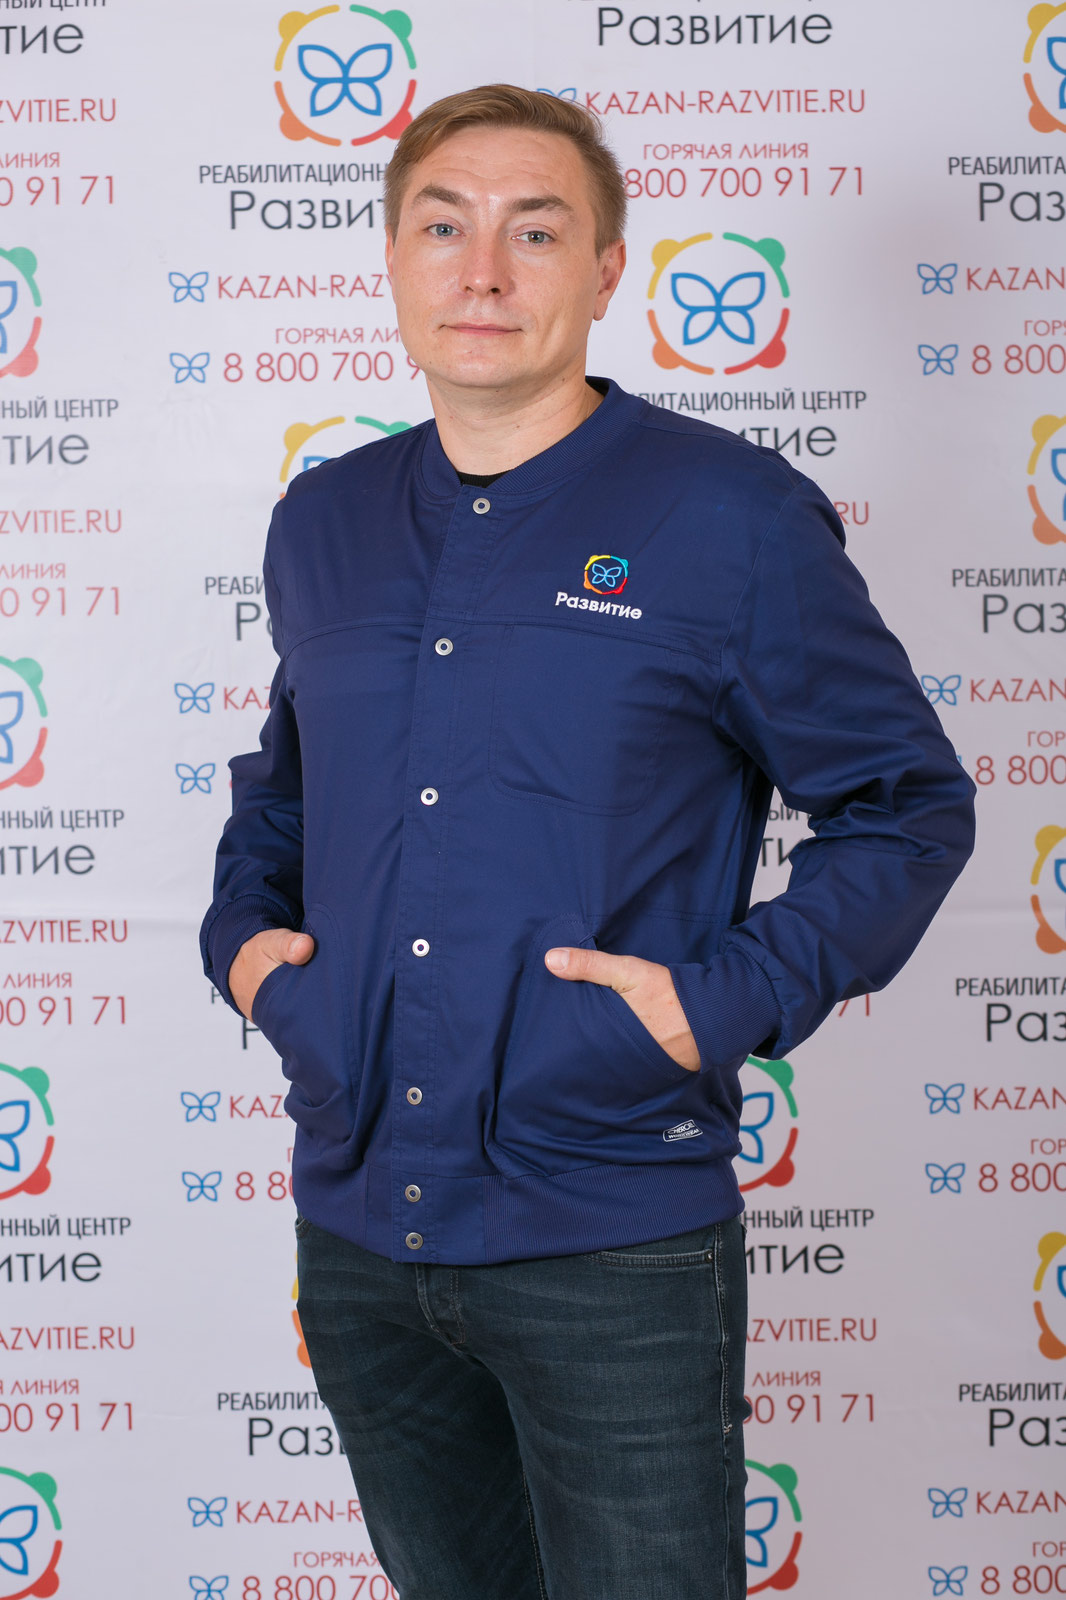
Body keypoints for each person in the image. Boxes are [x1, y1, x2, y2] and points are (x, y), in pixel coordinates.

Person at [200, 83, 976, 1600]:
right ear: (392, 258)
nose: (483, 271)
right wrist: (249, 953)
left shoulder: (729, 518)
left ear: (608, 269)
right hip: (359, 1229)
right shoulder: (325, 520)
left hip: (609, 1231)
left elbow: (905, 805)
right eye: (444, 227)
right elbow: (287, 786)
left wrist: (717, 1002)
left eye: (536, 231)